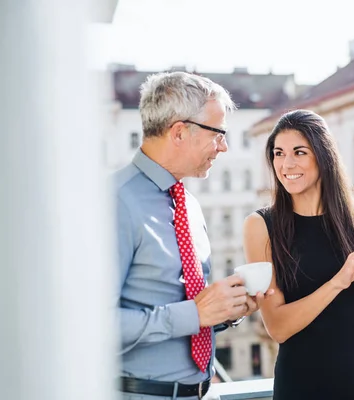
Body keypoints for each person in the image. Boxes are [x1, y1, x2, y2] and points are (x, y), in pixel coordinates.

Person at [243, 109, 354, 400]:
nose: (287, 164)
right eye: (278, 153)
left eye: (299, 152)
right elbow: (278, 328)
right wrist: (340, 280)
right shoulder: (261, 226)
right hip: (302, 386)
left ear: (324, 157)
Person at [114, 71, 269, 400]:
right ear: (180, 132)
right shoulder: (115, 202)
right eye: (218, 133)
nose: (224, 147)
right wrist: (195, 313)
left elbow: (185, 313)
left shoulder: (190, 206)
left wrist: (226, 311)